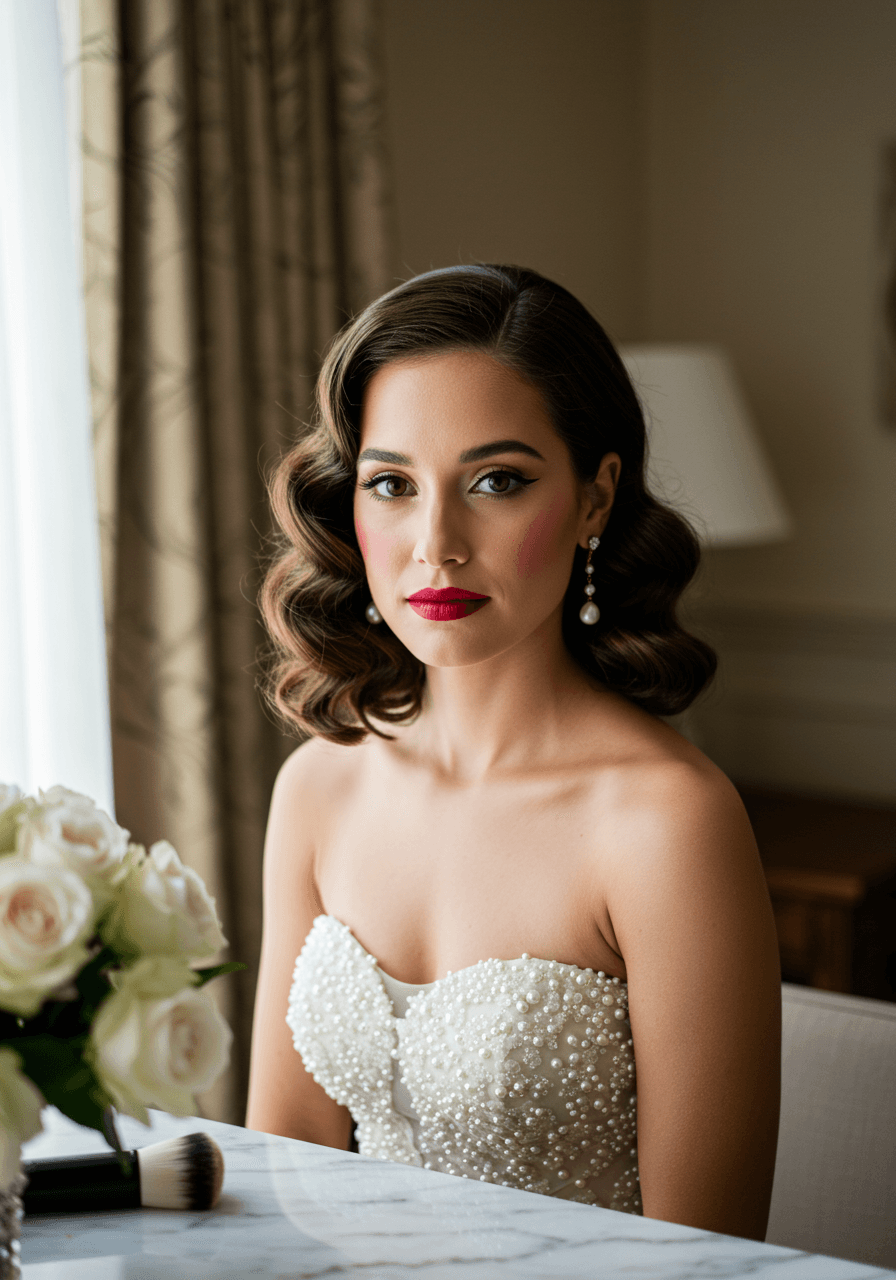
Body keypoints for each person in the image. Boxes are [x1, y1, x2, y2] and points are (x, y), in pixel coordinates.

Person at [245, 264, 781, 1240]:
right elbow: (282, 1166)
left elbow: (706, 1257)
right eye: (392, 484)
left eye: (496, 481)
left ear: (593, 498)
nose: (436, 543)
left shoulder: (666, 821)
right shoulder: (317, 786)